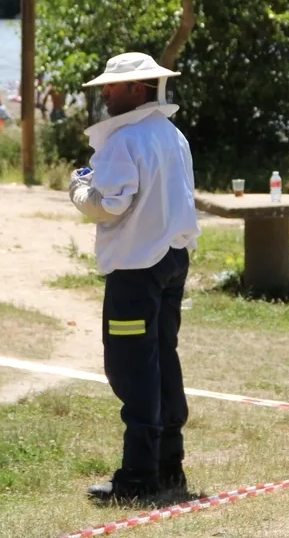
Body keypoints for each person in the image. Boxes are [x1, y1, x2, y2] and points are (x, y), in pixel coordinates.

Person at [69, 52, 201, 502]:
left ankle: (138, 478)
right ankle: (169, 469)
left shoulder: (125, 139)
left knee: (132, 367)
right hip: (171, 260)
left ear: (139, 89)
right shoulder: (172, 134)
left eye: (112, 86)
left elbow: (110, 204)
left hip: (135, 268)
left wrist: (79, 188)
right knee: (162, 359)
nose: (104, 93)